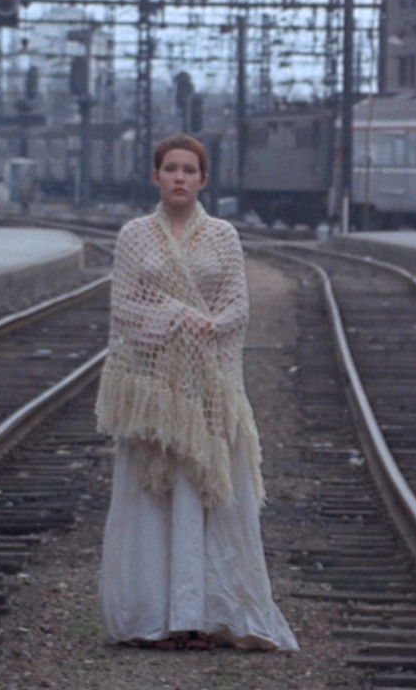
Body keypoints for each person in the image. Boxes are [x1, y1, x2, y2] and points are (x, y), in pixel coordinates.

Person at [94, 133, 298, 652]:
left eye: (189, 170)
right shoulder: (135, 236)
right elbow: (125, 308)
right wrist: (177, 317)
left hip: (207, 389)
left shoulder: (223, 236)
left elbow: (238, 307)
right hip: (153, 390)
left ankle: (201, 615)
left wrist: (208, 327)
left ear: (203, 180)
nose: (179, 177)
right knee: (154, 496)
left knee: (203, 494)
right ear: (155, 177)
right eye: (171, 169)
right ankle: (153, 617)